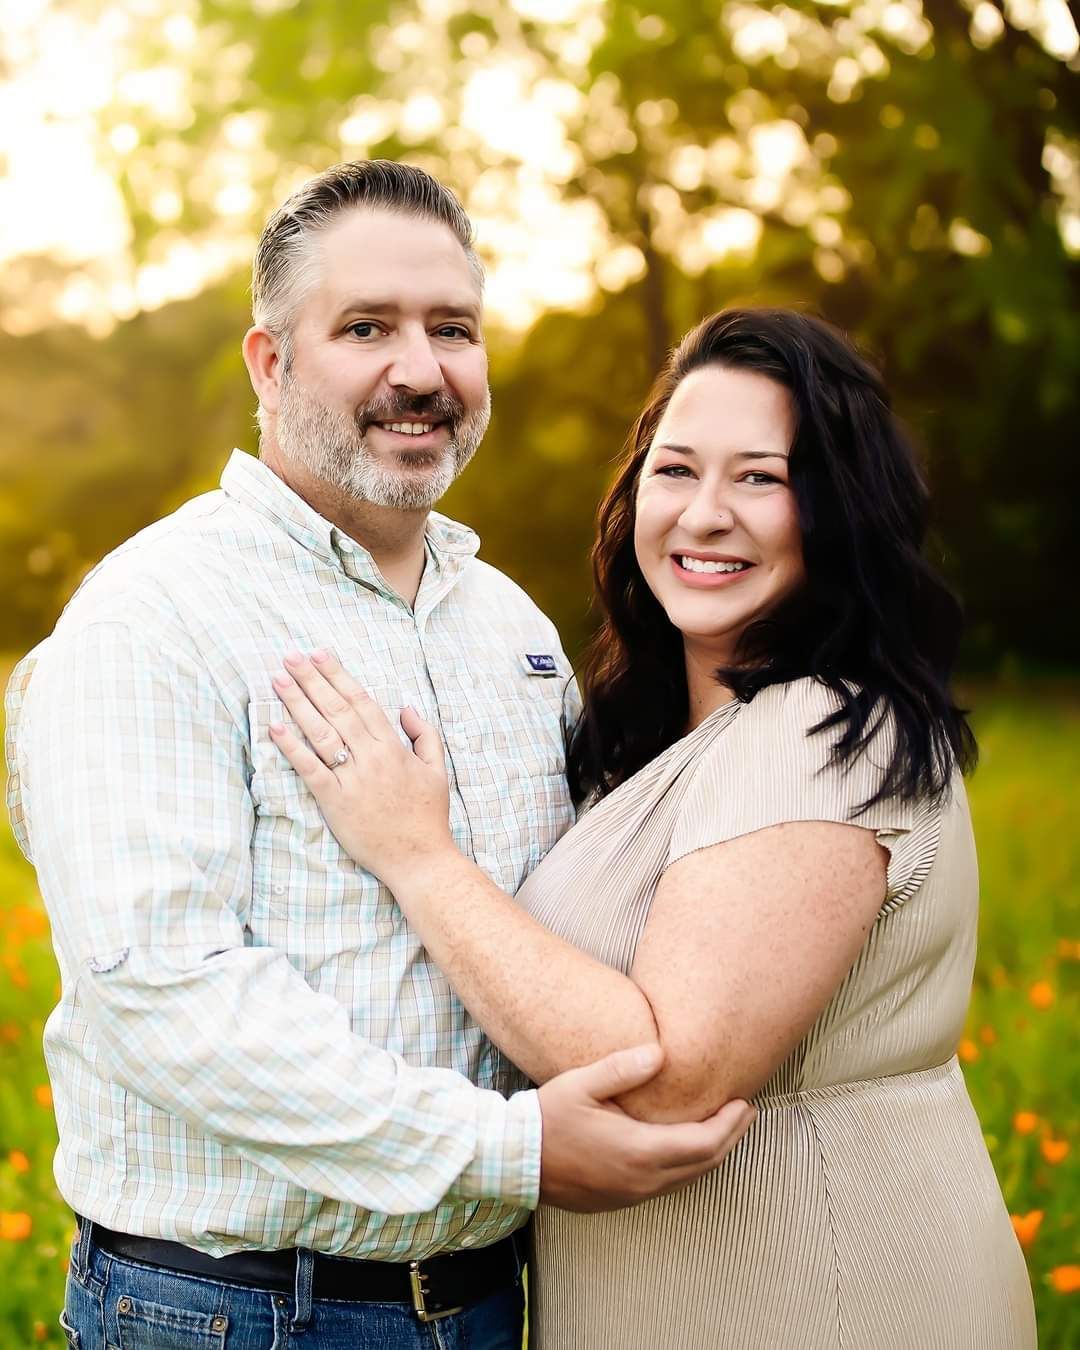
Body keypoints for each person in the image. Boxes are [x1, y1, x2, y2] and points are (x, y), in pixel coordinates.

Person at [4, 162, 756, 1350]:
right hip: (235, 1310)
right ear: (270, 362)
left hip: (492, 1299)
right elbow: (165, 993)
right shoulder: (152, 615)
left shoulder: (508, 627)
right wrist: (513, 1148)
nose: (421, 370)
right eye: (366, 328)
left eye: (451, 329)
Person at [266, 309, 1038, 1348]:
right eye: (675, 471)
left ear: (838, 509)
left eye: (760, 478)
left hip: (820, 1298)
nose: (705, 515)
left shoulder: (817, 728)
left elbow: (672, 1081)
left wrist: (416, 855)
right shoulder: (669, 739)